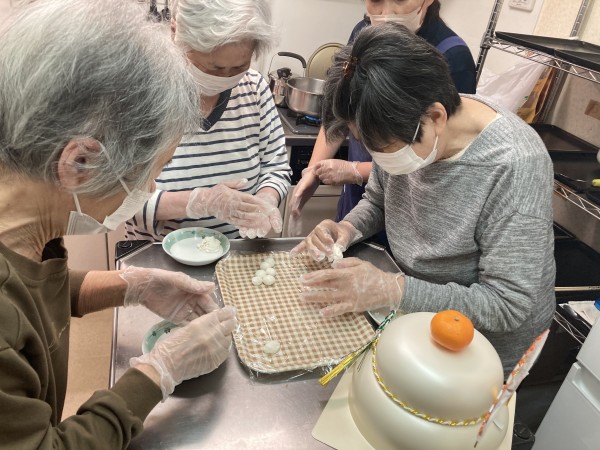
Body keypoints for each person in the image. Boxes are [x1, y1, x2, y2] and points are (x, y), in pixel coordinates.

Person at [0, 0, 236, 447]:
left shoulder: (23, 230)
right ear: (80, 163)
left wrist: (133, 287)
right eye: (148, 173)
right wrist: (157, 372)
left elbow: (34, 292)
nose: (149, 188)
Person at [292, 23, 555, 378]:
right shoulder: (407, 122)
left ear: (435, 118)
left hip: (481, 352)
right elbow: (378, 201)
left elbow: (507, 305)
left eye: (384, 149)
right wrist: (346, 229)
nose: (379, 159)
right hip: (418, 320)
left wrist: (393, 289)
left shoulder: (514, 165)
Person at [288, 0, 476, 246]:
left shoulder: (453, 56)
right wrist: (313, 171)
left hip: (410, 211)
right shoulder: (363, 33)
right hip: (362, 205)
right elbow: (339, 112)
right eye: (376, 0)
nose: (386, 12)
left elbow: (440, 157)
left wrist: (356, 171)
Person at [126, 0, 291, 242]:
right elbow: (116, 202)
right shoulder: (140, 94)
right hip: (157, 255)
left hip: (238, 254)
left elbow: (275, 168)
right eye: (213, 69)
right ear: (175, 34)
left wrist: (266, 199)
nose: (225, 78)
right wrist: (198, 202)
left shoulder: (254, 89)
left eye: (239, 67)